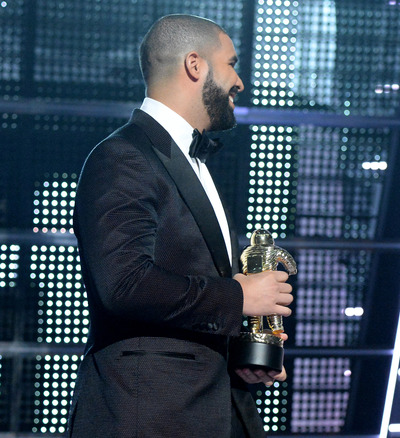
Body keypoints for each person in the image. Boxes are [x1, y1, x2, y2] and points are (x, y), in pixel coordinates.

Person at [66, 14, 293, 438]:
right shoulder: (123, 157)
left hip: (208, 410)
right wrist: (238, 296)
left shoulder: (191, 163)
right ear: (195, 65)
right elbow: (124, 284)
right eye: (232, 63)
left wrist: (239, 361)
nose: (239, 81)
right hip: (147, 417)